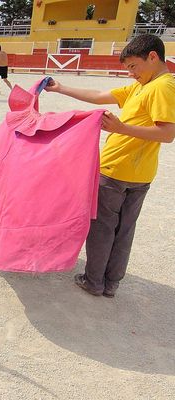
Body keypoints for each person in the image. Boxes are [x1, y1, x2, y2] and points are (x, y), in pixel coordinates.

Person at [45, 34, 175, 297]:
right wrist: (61, 88)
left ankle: (94, 281)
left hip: (117, 170)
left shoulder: (162, 86)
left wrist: (120, 128)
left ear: (152, 57)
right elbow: (98, 95)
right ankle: (111, 283)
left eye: (132, 66)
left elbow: (167, 133)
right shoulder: (143, 85)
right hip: (139, 173)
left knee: (103, 227)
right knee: (123, 229)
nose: (130, 73)